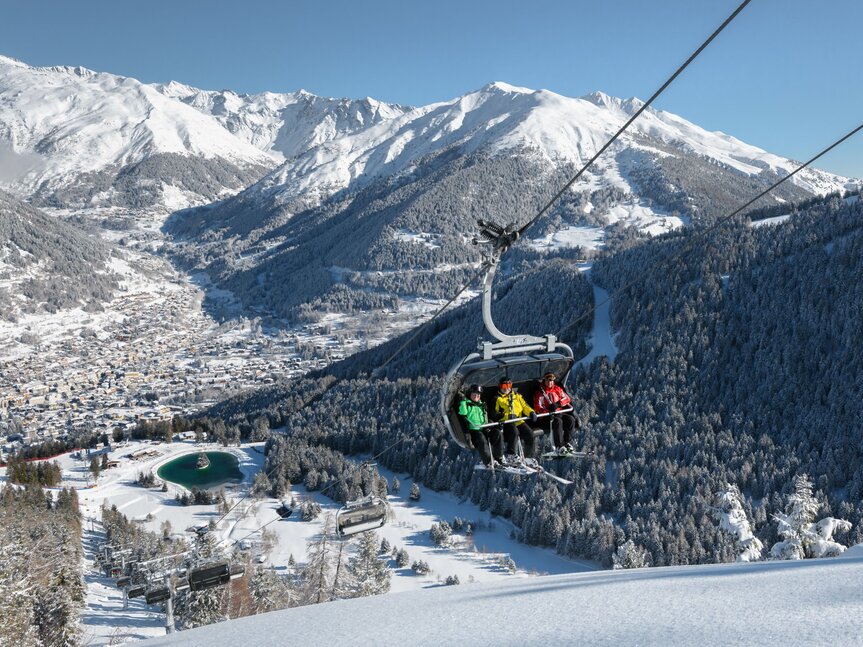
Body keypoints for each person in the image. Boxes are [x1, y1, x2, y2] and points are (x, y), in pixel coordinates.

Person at [494, 377, 538, 465]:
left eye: (509, 385)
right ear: (500, 386)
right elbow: (494, 414)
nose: (506, 388)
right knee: (514, 432)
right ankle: (511, 455)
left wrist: (531, 412)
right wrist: (507, 416)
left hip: (518, 420)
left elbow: (525, 406)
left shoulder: (516, 396)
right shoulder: (497, 399)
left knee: (530, 434)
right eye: (504, 386)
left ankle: (528, 457)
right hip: (506, 422)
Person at [458, 384, 504, 469]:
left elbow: (486, 416)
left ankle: (499, 457)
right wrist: (463, 400)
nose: (476, 396)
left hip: (484, 427)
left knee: (497, 433)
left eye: (478, 394)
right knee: (481, 438)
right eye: (474, 394)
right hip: (474, 429)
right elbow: (463, 412)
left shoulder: (481, 405)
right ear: (470, 394)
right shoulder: (467, 404)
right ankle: (488, 461)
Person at [533, 372, 579, 455]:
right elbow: (537, 407)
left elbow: (567, 399)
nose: (550, 382)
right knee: (557, 421)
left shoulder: (557, 389)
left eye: (552, 380)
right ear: (544, 381)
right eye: (548, 380)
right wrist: (548, 410)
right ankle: (559, 446)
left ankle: (566, 443)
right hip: (546, 417)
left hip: (558, 412)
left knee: (570, 419)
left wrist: (558, 404)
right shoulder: (540, 393)